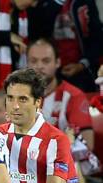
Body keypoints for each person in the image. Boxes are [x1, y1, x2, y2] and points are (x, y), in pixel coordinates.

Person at [27, 38, 95, 170]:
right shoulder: (16, 96)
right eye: (33, 61)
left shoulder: (73, 96)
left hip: (69, 175)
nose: (39, 66)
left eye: (46, 61)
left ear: (57, 62)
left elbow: (87, 145)